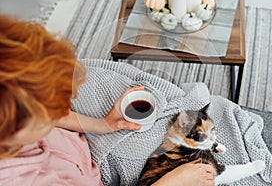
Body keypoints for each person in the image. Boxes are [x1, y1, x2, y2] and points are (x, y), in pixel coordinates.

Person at [0, 14, 216, 186]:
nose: (62, 110)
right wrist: (172, 182)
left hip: (86, 144)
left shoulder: (14, 114)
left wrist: (102, 124)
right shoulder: (26, 179)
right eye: (51, 111)